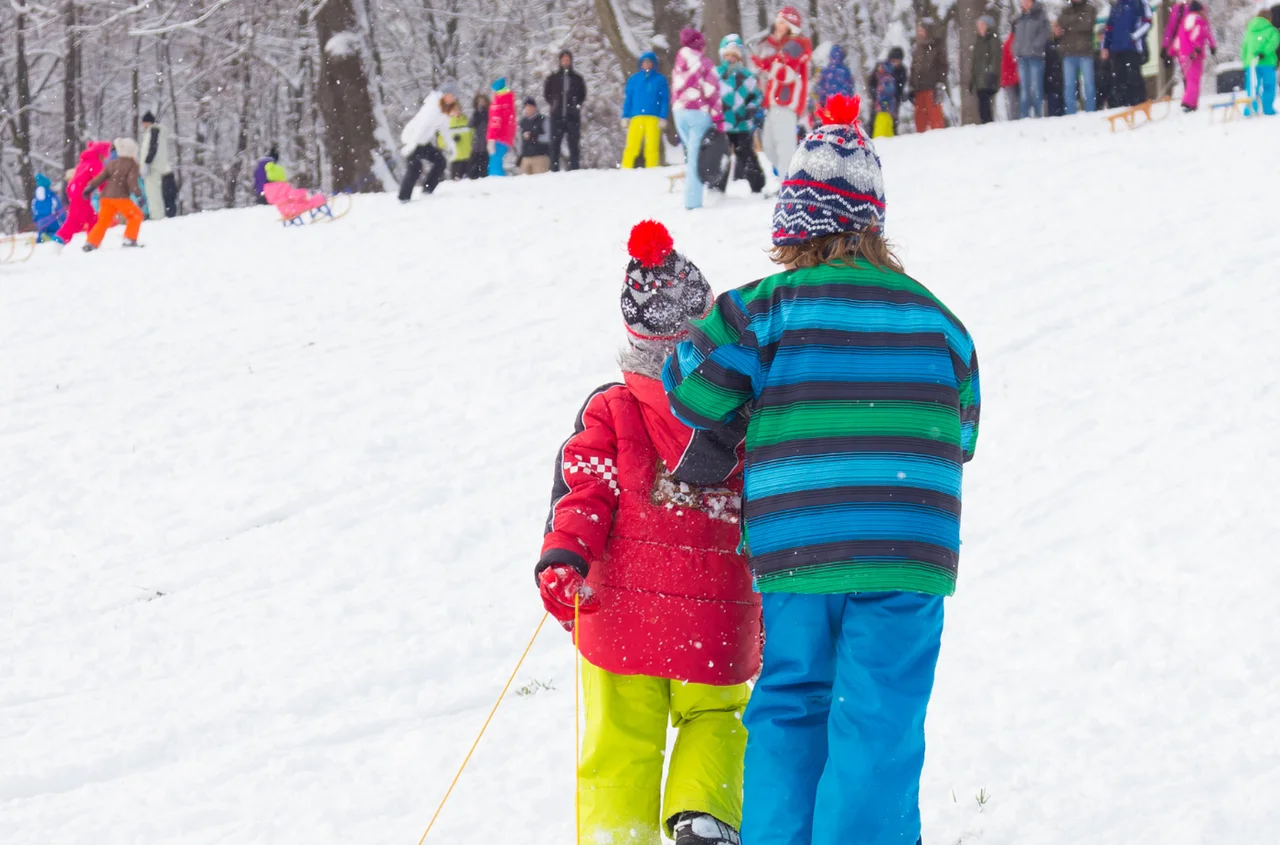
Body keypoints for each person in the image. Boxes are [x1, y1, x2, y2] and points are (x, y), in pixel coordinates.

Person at [663, 93, 980, 845]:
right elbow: (962, 428)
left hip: (799, 545)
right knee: (880, 714)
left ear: (792, 229)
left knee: (792, 700)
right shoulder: (939, 320)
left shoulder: (766, 310)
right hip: (906, 548)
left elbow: (689, 383)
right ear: (873, 225)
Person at [537, 218, 761, 845]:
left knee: (619, 741)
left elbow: (586, 489)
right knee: (716, 714)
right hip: (718, 615)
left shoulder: (610, 408)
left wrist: (566, 555)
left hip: (620, 614)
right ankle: (703, 815)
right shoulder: (746, 414)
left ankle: (617, 834)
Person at [753, 6, 812, 177]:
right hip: (776, 104)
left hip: (785, 103)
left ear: (791, 26)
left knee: (784, 150)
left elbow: (786, 74)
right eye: (777, 22)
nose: (777, 26)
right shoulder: (787, 46)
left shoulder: (795, 44)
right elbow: (778, 63)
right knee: (769, 146)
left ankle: (788, 186)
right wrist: (763, 63)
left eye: (782, 23)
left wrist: (769, 68)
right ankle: (790, 181)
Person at [671, 27, 726, 210]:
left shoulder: (678, 62)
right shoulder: (705, 64)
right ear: (700, 45)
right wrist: (718, 119)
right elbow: (713, 92)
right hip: (698, 113)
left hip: (679, 112)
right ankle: (692, 202)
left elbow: (675, 90)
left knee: (691, 156)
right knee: (696, 159)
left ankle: (692, 198)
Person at [716, 34, 766, 194]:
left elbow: (757, 96)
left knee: (745, 154)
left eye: (734, 55)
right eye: (727, 55)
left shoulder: (747, 76)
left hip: (741, 123)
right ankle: (717, 186)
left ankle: (757, 184)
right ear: (722, 55)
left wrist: (751, 108)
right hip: (722, 122)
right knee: (721, 156)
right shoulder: (716, 75)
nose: (730, 58)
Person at [398, 83, 459, 202]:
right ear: (445, 95)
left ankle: (427, 189)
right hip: (412, 140)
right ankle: (403, 197)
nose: (454, 98)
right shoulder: (432, 107)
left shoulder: (444, 110)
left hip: (423, 143)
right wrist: (411, 145)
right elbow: (420, 126)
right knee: (415, 168)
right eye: (453, 95)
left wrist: (452, 146)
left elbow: (445, 129)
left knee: (440, 161)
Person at [82, 138, 145, 252]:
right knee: (135, 215)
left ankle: (91, 242)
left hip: (105, 198)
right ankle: (130, 239)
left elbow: (101, 177)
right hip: (120, 197)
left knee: (103, 221)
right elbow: (132, 181)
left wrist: (90, 187)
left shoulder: (112, 163)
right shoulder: (132, 164)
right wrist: (138, 195)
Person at [54, 141, 111, 246]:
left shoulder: (85, 162)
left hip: (75, 192)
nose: (104, 159)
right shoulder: (95, 162)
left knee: (92, 218)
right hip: (81, 194)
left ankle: (92, 242)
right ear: (100, 154)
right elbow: (100, 179)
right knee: (75, 221)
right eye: (104, 156)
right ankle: (58, 241)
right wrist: (107, 190)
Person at [621, 51, 670, 169]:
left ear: (654, 64)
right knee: (632, 145)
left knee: (652, 146)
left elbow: (664, 99)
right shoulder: (634, 79)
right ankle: (625, 168)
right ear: (641, 64)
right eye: (644, 62)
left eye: (649, 62)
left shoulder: (660, 79)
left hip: (653, 117)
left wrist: (663, 116)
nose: (647, 64)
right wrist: (625, 116)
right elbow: (629, 99)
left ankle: (652, 169)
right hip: (636, 116)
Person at [1101, 0, 1152, 107]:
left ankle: (1139, 103)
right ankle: (1123, 105)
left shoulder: (1139, 3)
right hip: (1116, 48)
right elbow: (1109, 27)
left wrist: (1134, 37)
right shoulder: (1116, 6)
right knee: (1119, 79)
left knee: (1134, 76)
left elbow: (1147, 22)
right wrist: (1105, 46)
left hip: (1132, 47)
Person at [544, 49, 587, 171]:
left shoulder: (577, 78)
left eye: (567, 59)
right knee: (554, 145)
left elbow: (582, 94)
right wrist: (554, 104)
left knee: (574, 145)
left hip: (573, 116)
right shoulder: (553, 78)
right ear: (560, 61)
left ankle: (574, 169)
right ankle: (554, 169)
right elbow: (547, 94)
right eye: (563, 59)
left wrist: (576, 104)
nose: (565, 61)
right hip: (556, 116)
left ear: (571, 61)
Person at [1169, 2, 1216, 111]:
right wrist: (1198, 48)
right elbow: (1199, 34)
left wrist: (1171, 52)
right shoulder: (1199, 20)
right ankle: (1188, 103)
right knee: (1194, 80)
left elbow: (1178, 39)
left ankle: (1192, 103)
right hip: (1194, 55)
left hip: (1183, 55)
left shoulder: (1185, 21)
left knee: (1190, 79)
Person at [1056, 0, 1099, 113]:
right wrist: (1076, 20)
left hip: (1085, 53)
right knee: (1069, 86)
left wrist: (1069, 23)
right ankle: (1070, 113)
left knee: (1089, 85)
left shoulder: (1090, 9)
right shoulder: (1065, 10)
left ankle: (1090, 111)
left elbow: (1087, 24)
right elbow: (1061, 23)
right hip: (1068, 53)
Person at [1014, 0, 1051, 118]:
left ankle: (1038, 114)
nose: (1023, 3)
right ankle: (1024, 116)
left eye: (1026, 1)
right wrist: (1015, 49)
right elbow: (1016, 37)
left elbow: (1045, 33)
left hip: (1036, 57)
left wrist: (1036, 46)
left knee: (1036, 88)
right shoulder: (1020, 18)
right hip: (1022, 58)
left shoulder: (1040, 15)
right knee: (1024, 90)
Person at [909, 19, 948, 132]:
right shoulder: (917, 49)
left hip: (932, 88)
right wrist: (911, 85)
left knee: (935, 119)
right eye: (919, 30)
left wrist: (940, 83)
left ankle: (939, 139)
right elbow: (913, 68)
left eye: (922, 30)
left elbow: (943, 66)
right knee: (919, 120)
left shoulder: (937, 47)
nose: (920, 32)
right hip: (918, 89)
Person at [139, 112, 177, 219]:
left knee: (153, 193)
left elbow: (152, 148)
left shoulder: (153, 131)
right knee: (156, 193)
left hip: (153, 167)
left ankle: (156, 217)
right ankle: (158, 215)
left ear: (147, 122)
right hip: (159, 166)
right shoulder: (158, 132)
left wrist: (147, 162)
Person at [1241, 7, 1279, 116]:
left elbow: (1244, 48)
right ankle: (1267, 109)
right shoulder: (1272, 30)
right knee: (1269, 85)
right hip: (1268, 62)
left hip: (1251, 63)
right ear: (1269, 18)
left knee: (1252, 86)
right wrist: (1264, 52)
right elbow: (1273, 43)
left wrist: (1245, 62)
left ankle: (1250, 110)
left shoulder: (1249, 31)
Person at [867, 47, 907, 137]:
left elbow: (901, 86)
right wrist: (875, 95)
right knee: (876, 122)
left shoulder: (901, 70)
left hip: (893, 102)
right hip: (879, 101)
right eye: (894, 60)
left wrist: (898, 97)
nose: (896, 63)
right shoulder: (881, 67)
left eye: (898, 61)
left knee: (891, 123)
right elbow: (872, 82)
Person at [971, 16, 1002, 123]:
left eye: (982, 25)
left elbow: (995, 56)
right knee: (981, 104)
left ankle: (988, 123)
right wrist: (972, 79)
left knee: (985, 103)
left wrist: (992, 72)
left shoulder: (993, 39)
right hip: (980, 78)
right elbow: (975, 62)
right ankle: (984, 123)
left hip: (988, 76)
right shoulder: (979, 41)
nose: (979, 27)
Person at [487, 78, 517, 177]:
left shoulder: (498, 101)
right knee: (498, 162)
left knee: (494, 164)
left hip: (498, 138)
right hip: (506, 137)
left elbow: (495, 121)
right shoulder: (509, 100)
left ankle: (498, 184)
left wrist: (491, 138)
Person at [517, 97, 552, 175]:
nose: (528, 109)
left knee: (539, 183)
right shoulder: (523, 122)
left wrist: (535, 137)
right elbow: (520, 140)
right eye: (526, 107)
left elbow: (549, 137)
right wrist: (520, 155)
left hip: (541, 157)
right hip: (526, 158)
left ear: (535, 107)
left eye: (530, 106)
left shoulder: (543, 120)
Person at [30, 174, 65, 242]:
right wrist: (64, 221)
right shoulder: (51, 196)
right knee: (57, 233)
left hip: (40, 222)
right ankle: (52, 238)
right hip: (52, 221)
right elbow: (60, 210)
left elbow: (34, 212)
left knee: (42, 232)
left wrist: (37, 221)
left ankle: (40, 239)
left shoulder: (35, 199)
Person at [443, 103, 473, 180]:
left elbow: (474, 135)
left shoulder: (467, 121)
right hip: (455, 158)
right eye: (454, 109)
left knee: (469, 182)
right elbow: (441, 141)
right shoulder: (446, 123)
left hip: (468, 157)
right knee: (456, 184)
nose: (457, 111)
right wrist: (452, 140)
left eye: (458, 109)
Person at [469, 93, 491, 178]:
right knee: (472, 167)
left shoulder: (488, 113)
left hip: (486, 144)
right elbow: (470, 124)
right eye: (479, 101)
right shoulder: (475, 113)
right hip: (476, 144)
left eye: (483, 101)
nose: (481, 103)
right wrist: (476, 115)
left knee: (484, 168)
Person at [1002, 30, 1021, 118]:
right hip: (1012, 78)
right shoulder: (1014, 42)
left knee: (1013, 104)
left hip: (1009, 77)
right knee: (1014, 104)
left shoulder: (1010, 41)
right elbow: (1015, 60)